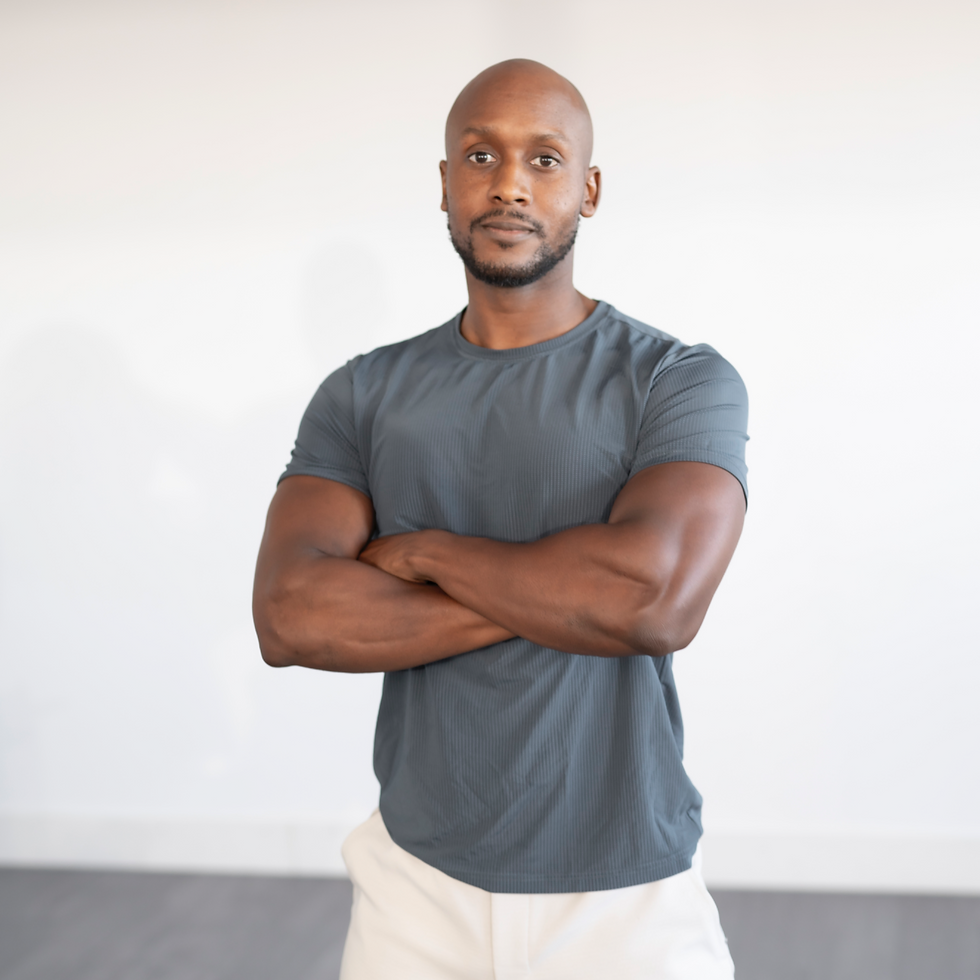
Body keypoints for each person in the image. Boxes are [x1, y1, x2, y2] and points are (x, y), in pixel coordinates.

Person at [253, 58, 748, 979]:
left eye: (546, 159)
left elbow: (653, 600)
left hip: (626, 896)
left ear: (590, 190)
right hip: (415, 889)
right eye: (480, 155)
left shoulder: (675, 381)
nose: (510, 182)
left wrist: (429, 553)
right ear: (445, 185)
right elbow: (291, 616)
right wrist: (566, 592)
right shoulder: (364, 394)